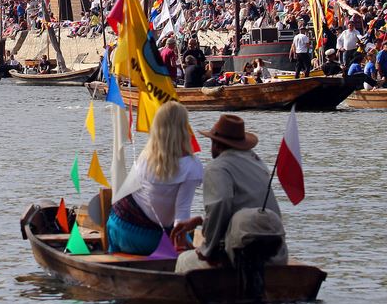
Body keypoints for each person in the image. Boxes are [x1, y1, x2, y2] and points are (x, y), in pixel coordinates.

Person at [173, 114, 278, 273]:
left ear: (216, 144)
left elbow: (221, 205)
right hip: (276, 254)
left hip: (239, 257)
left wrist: (206, 250)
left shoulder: (217, 167)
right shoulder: (257, 162)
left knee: (182, 260)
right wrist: (201, 221)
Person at [107, 101, 203, 255]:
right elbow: (182, 214)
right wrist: (185, 250)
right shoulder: (191, 165)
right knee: (190, 250)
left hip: (116, 227)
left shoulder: (144, 157)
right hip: (146, 238)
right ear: (184, 128)